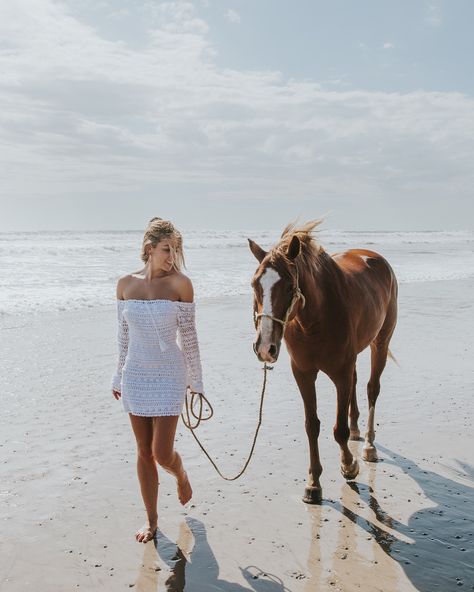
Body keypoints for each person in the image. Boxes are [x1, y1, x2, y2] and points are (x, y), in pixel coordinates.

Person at [111, 217, 204, 543]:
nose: (172, 257)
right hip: (135, 374)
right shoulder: (125, 284)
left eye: (176, 250)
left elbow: (189, 338)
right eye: (167, 249)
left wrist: (197, 383)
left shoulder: (181, 284)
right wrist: (117, 375)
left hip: (169, 375)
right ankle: (151, 521)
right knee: (143, 451)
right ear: (150, 248)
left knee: (162, 453)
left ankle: (180, 474)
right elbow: (122, 336)